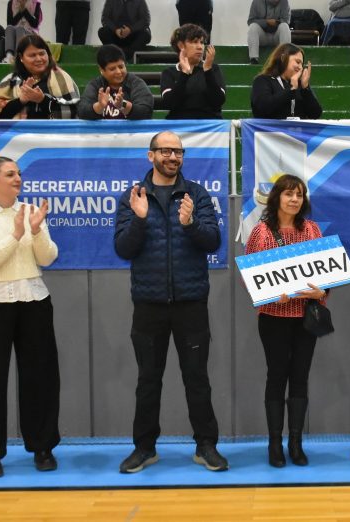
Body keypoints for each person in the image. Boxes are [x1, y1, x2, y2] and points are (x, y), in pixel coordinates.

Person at [114, 131, 228, 473]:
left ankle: (206, 446)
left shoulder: (197, 194)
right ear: (151, 156)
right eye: (165, 151)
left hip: (190, 303)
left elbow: (213, 241)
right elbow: (123, 248)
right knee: (148, 380)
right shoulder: (134, 196)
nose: (173, 157)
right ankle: (144, 448)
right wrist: (139, 219)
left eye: (178, 151)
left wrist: (190, 224)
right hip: (148, 305)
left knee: (197, 378)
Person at [0, 156, 60, 479]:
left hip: (34, 300)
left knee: (41, 377)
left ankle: (43, 448)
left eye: (18, 173)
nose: (17, 178)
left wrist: (36, 231)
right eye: (9, 174)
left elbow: (48, 257)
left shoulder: (30, 211)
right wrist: (16, 235)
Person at [244, 174, 327, 468]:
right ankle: (274, 443)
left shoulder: (313, 230)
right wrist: (268, 295)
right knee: (277, 376)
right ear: (276, 197)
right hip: (273, 318)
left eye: (299, 195)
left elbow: (326, 273)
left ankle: (296, 442)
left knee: (300, 377)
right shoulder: (261, 233)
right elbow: (251, 278)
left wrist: (322, 292)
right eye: (289, 194)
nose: (294, 199)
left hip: (305, 318)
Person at [0, 34, 79, 119]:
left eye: (42, 54)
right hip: (19, 132)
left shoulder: (62, 78)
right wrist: (21, 100)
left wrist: (42, 100)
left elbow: (73, 111)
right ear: (21, 58)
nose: (38, 59)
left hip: (53, 131)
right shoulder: (11, 81)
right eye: (32, 55)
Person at [161, 23, 225, 119]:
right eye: (195, 42)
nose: (200, 47)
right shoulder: (169, 73)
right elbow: (169, 103)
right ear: (181, 45)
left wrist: (208, 71)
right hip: (179, 124)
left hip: (209, 124)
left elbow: (218, 101)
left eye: (202, 42)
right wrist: (184, 74)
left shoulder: (213, 69)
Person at [78, 44, 153, 120]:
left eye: (121, 67)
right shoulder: (95, 85)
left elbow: (146, 111)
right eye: (112, 69)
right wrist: (100, 106)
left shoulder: (136, 83)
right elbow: (82, 111)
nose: (118, 72)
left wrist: (123, 104)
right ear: (101, 70)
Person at [251, 43, 322, 119]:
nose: (300, 67)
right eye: (297, 62)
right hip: (271, 127)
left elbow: (315, 114)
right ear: (283, 58)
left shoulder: (301, 86)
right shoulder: (263, 80)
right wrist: (291, 89)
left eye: (302, 64)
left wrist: (305, 88)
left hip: (296, 127)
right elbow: (263, 108)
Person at [247, 0, 291, 65]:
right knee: (253, 26)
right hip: (263, 37)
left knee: (284, 26)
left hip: (277, 36)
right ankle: (253, 59)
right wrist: (266, 22)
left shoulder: (284, 2)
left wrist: (276, 22)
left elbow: (286, 20)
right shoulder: (256, 2)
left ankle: (285, 58)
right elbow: (250, 21)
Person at [2, 0, 41, 65]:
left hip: (30, 32)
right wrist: (20, 12)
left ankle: (18, 56)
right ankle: (9, 56)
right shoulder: (11, 3)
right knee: (9, 28)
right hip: (15, 30)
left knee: (20, 29)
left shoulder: (36, 3)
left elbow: (35, 24)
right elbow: (10, 23)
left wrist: (24, 10)